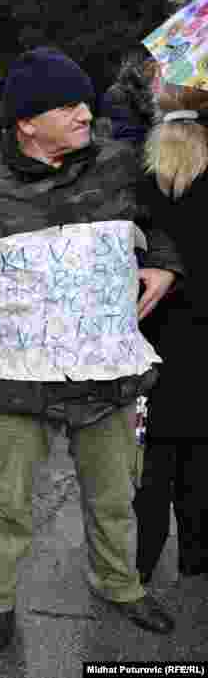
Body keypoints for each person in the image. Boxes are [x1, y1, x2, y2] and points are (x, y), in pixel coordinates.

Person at [0, 47, 184, 650]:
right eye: (69, 106)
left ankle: (120, 584)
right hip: (17, 376)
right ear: (26, 122)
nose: (87, 113)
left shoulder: (117, 165)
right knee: (8, 504)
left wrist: (162, 264)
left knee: (114, 496)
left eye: (86, 101)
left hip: (106, 369)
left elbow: (159, 223)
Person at [133, 82, 208, 583]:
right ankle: (197, 556)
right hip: (203, 332)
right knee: (200, 448)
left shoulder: (137, 174)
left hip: (151, 327)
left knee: (151, 452)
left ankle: (139, 559)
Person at [101, 50, 159, 146]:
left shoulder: (145, 89)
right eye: (148, 69)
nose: (153, 75)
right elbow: (123, 128)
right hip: (132, 144)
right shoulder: (117, 92)